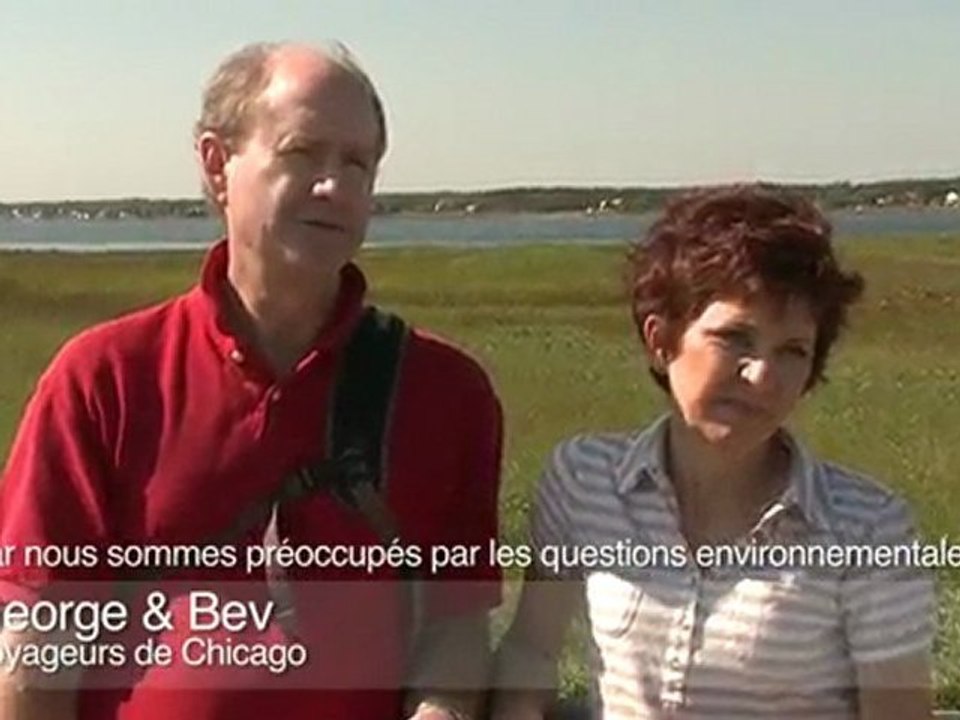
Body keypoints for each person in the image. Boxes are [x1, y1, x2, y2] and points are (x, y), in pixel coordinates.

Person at [0, 42, 502, 720]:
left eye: (357, 163)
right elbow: (39, 634)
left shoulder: (449, 394)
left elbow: (456, 624)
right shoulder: (103, 379)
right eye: (303, 153)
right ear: (217, 165)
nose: (335, 186)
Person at [492, 186, 935, 719]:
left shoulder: (868, 527)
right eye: (735, 338)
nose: (763, 376)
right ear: (661, 339)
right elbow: (531, 650)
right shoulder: (584, 480)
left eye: (792, 350)